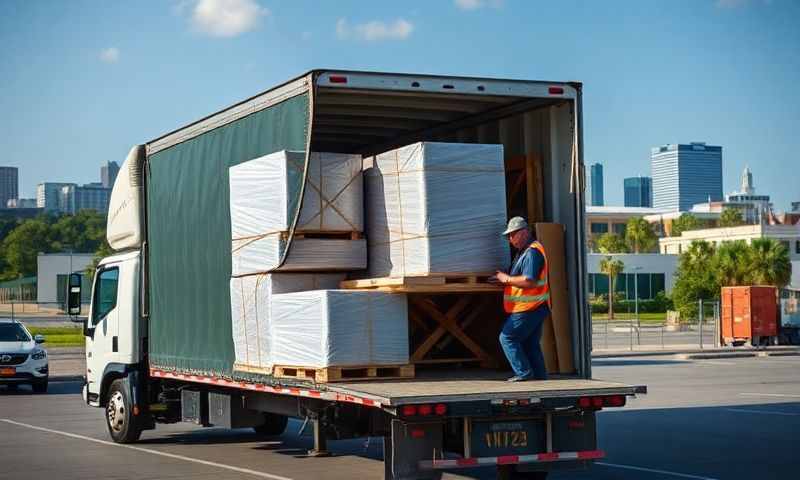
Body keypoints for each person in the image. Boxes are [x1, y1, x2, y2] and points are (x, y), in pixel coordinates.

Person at [489, 216, 550, 382]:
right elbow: (518, 278)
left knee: (507, 337)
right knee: (530, 344)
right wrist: (503, 279)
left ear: (524, 232)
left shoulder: (532, 252)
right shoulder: (524, 252)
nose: (510, 239)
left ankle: (524, 373)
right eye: (508, 236)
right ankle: (540, 378)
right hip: (535, 307)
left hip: (528, 308)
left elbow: (529, 280)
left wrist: (506, 279)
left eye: (512, 234)